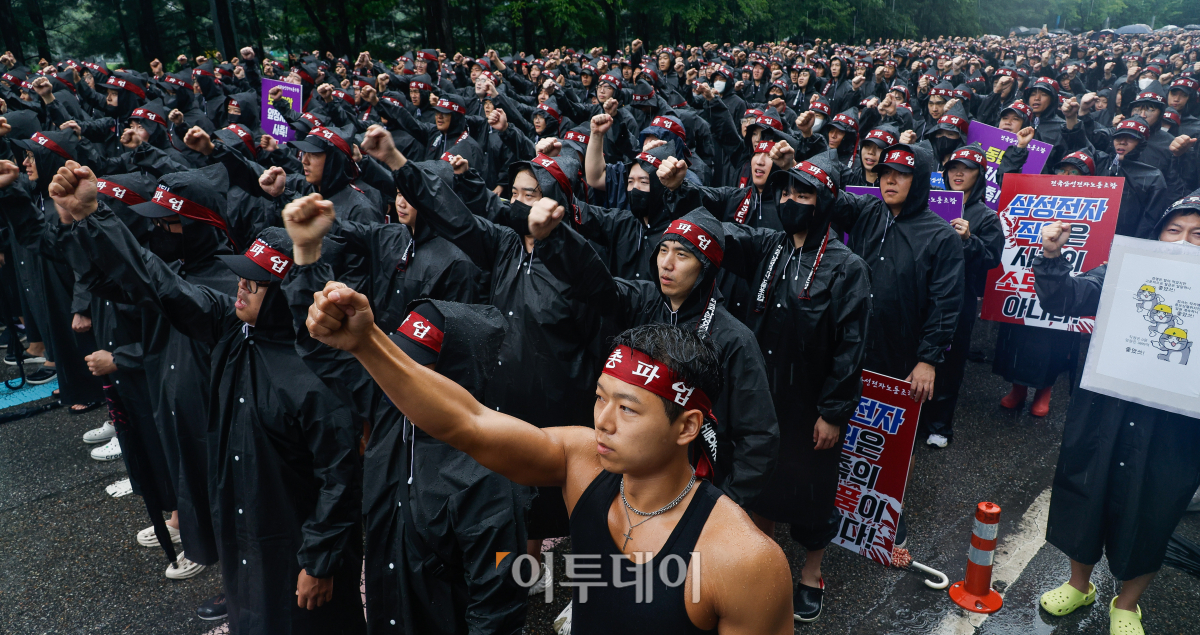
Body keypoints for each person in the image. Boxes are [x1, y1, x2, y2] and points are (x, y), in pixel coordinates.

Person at [304, 281, 795, 632]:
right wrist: (367, 343)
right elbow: (466, 423)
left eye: (628, 408)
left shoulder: (743, 560)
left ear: (686, 426)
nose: (603, 420)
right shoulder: (582, 462)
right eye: (600, 398)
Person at [53, 161, 366, 634]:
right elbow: (159, 282)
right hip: (244, 533)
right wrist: (93, 217)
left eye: (254, 283)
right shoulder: (232, 329)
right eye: (240, 276)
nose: (240, 288)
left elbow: (340, 479)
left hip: (296, 549)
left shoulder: (320, 373)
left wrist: (320, 562)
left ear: (286, 294)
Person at [1032, 196, 1200, 635]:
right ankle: (1079, 584)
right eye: (1174, 230)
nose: (1183, 241)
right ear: (1158, 234)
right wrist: (1051, 255)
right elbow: (1064, 298)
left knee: (1154, 511)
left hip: (1176, 429)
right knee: (1086, 493)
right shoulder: (1125, 269)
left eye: (1197, 234)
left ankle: (1127, 604)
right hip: (1104, 410)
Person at [719, 153, 871, 621]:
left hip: (811, 403)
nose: (790, 201)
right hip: (762, 395)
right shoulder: (771, 245)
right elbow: (721, 235)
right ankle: (763, 562)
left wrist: (833, 412)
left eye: (803, 194)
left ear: (825, 203)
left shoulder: (847, 267)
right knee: (760, 479)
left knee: (812, 491)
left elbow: (850, 348)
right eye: (786, 192)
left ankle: (810, 574)